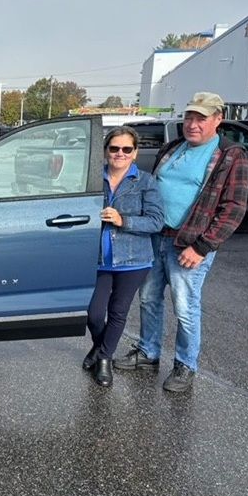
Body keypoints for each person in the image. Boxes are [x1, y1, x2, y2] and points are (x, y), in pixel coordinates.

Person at [113, 92, 248, 392]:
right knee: (148, 298)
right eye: (189, 116)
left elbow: (233, 209)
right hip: (156, 237)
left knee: (185, 307)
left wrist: (202, 246)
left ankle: (186, 365)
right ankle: (148, 352)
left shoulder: (230, 156)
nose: (193, 123)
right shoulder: (174, 147)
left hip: (188, 245)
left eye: (201, 118)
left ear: (218, 119)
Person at [83, 126, 164, 386]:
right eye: (114, 148)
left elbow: (156, 222)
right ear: (106, 151)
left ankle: (104, 359)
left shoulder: (145, 181)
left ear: (135, 153)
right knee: (94, 314)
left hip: (133, 260)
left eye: (126, 149)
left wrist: (123, 220)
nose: (120, 153)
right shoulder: (93, 178)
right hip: (98, 259)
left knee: (118, 312)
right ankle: (99, 348)